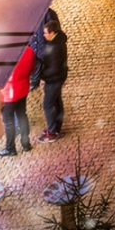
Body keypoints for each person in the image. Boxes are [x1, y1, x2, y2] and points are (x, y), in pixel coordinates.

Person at [32, 10, 68, 141]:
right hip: (57, 77)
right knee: (57, 101)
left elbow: (54, 68)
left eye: (45, 33)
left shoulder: (54, 47)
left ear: (52, 33)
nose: (43, 35)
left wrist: (42, 74)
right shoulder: (56, 42)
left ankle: (52, 131)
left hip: (54, 79)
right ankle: (57, 127)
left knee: (48, 104)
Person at [0, 46, 34, 158]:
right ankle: (26, 143)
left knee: (8, 121)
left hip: (9, 92)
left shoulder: (5, 55)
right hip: (23, 87)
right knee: (22, 115)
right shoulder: (28, 50)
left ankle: (10, 148)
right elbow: (32, 67)